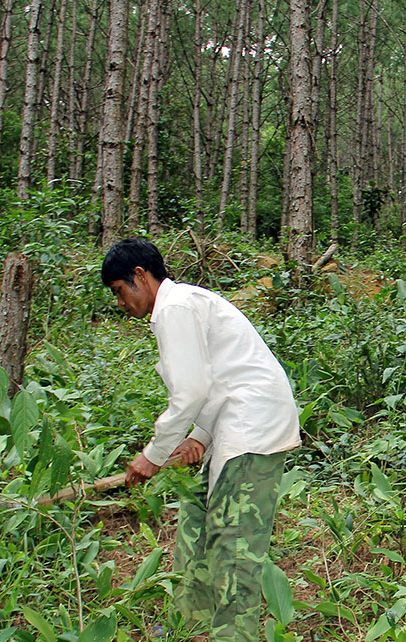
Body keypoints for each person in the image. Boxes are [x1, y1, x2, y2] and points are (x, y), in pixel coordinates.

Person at [101, 238, 301, 642]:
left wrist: (151, 456)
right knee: (196, 524)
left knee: (235, 547)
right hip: (232, 427)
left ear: (140, 276)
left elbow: (191, 393)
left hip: (252, 430)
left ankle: (234, 636)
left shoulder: (176, 307)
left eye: (120, 292)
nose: (120, 303)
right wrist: (199, 436)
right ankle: (188, 625)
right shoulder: (182, 305)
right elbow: (216, 380)